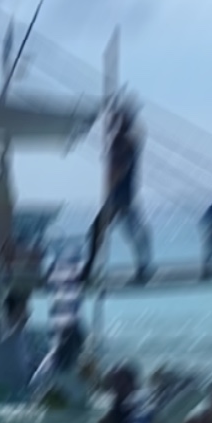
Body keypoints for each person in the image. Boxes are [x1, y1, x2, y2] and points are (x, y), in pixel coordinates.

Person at [81, 100, 152, 287]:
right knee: (129, 231)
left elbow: (119, 167)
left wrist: (110, 184)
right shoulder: (125, 139)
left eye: (120, 118)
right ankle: (143, 267)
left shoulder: (125, 140)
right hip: (123, 195)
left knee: (101, 230)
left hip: (119, 196)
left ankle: (90, 269)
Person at [0, 289, 33, 397]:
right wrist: (20, 325)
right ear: (14, 309)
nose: (26, 311)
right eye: (22, 307)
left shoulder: (23, 331)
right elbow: (7, 340)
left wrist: (33, 364)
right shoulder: (0, 326)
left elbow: (22, 356)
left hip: (17, 387)